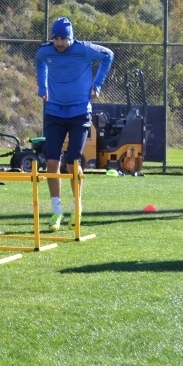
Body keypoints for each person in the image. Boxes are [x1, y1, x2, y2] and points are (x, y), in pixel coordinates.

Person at [36, 16, 113, 231]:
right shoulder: (45, 51)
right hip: (54, 112)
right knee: (52, 162)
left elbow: (108, 55)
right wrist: (42, 86)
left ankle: (76, 206)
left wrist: (97, 84)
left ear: (71, 38)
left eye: (63, 39)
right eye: (56, 39)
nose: (59, 43)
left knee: (72, 160)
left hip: (79, 112)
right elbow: (40, 62)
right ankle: (57, 212)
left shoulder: (84, 49)